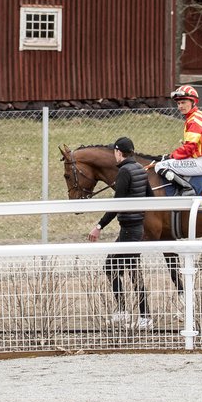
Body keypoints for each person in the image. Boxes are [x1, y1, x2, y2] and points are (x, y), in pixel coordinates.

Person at [88, 137, 154, 329]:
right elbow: (149, 197)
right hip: (136, 227)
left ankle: (133, 314)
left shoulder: (125, 171)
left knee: (112, 267)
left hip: (129, 228)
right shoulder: (140, 169)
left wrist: (99, 226)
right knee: (130, 269)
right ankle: (136, 314)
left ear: (118, 152)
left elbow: (117, 205)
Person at [153, 84, 202, 196]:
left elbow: (189, 148)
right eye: (178, 103)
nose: (180, 106)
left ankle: (186, 189)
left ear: (193, 102)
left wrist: (170, 156)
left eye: (183, 102)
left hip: (201, 162)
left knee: (160, 166)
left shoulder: (194, 120)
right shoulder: (199, 115)